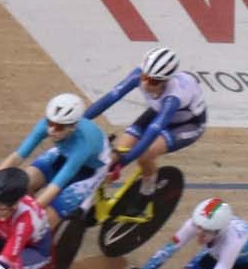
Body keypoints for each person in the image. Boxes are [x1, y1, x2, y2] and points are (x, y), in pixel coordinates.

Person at [82, 47, 208, 208]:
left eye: (153, 81)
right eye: (144, 76)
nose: (146, 83)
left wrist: (123, 162)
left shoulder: (173, 98)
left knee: (145, 155)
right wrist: (77, 122)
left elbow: (153, 131)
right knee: (117, 150)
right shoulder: (140, 75)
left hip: (188, 125)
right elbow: (111, 97)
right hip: (159, 112)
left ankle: (147, 193)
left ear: (165, 81)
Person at [0, 92, 107, 215]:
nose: (51, 130)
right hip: (65, 153)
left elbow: (55, 186)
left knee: (47, 216)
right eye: (49, 123)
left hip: (90, 170)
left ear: (72, 126)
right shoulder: (46, 125)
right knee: (22, 184)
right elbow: (17, 157)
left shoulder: (83, 145)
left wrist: (31, 215)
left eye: (59, 127)